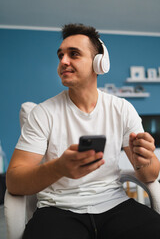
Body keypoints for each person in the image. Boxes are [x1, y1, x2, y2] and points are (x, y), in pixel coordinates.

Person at [6, 23, 160, 239]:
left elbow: (150, 175)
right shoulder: (42, 113)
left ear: (99, 64)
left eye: (74, 54)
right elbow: (13, 181)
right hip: (58, 211)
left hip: (114, 204)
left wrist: (145, 160)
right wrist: (58, 168)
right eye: (60, 55)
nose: (63, 61)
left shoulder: (122, 109)